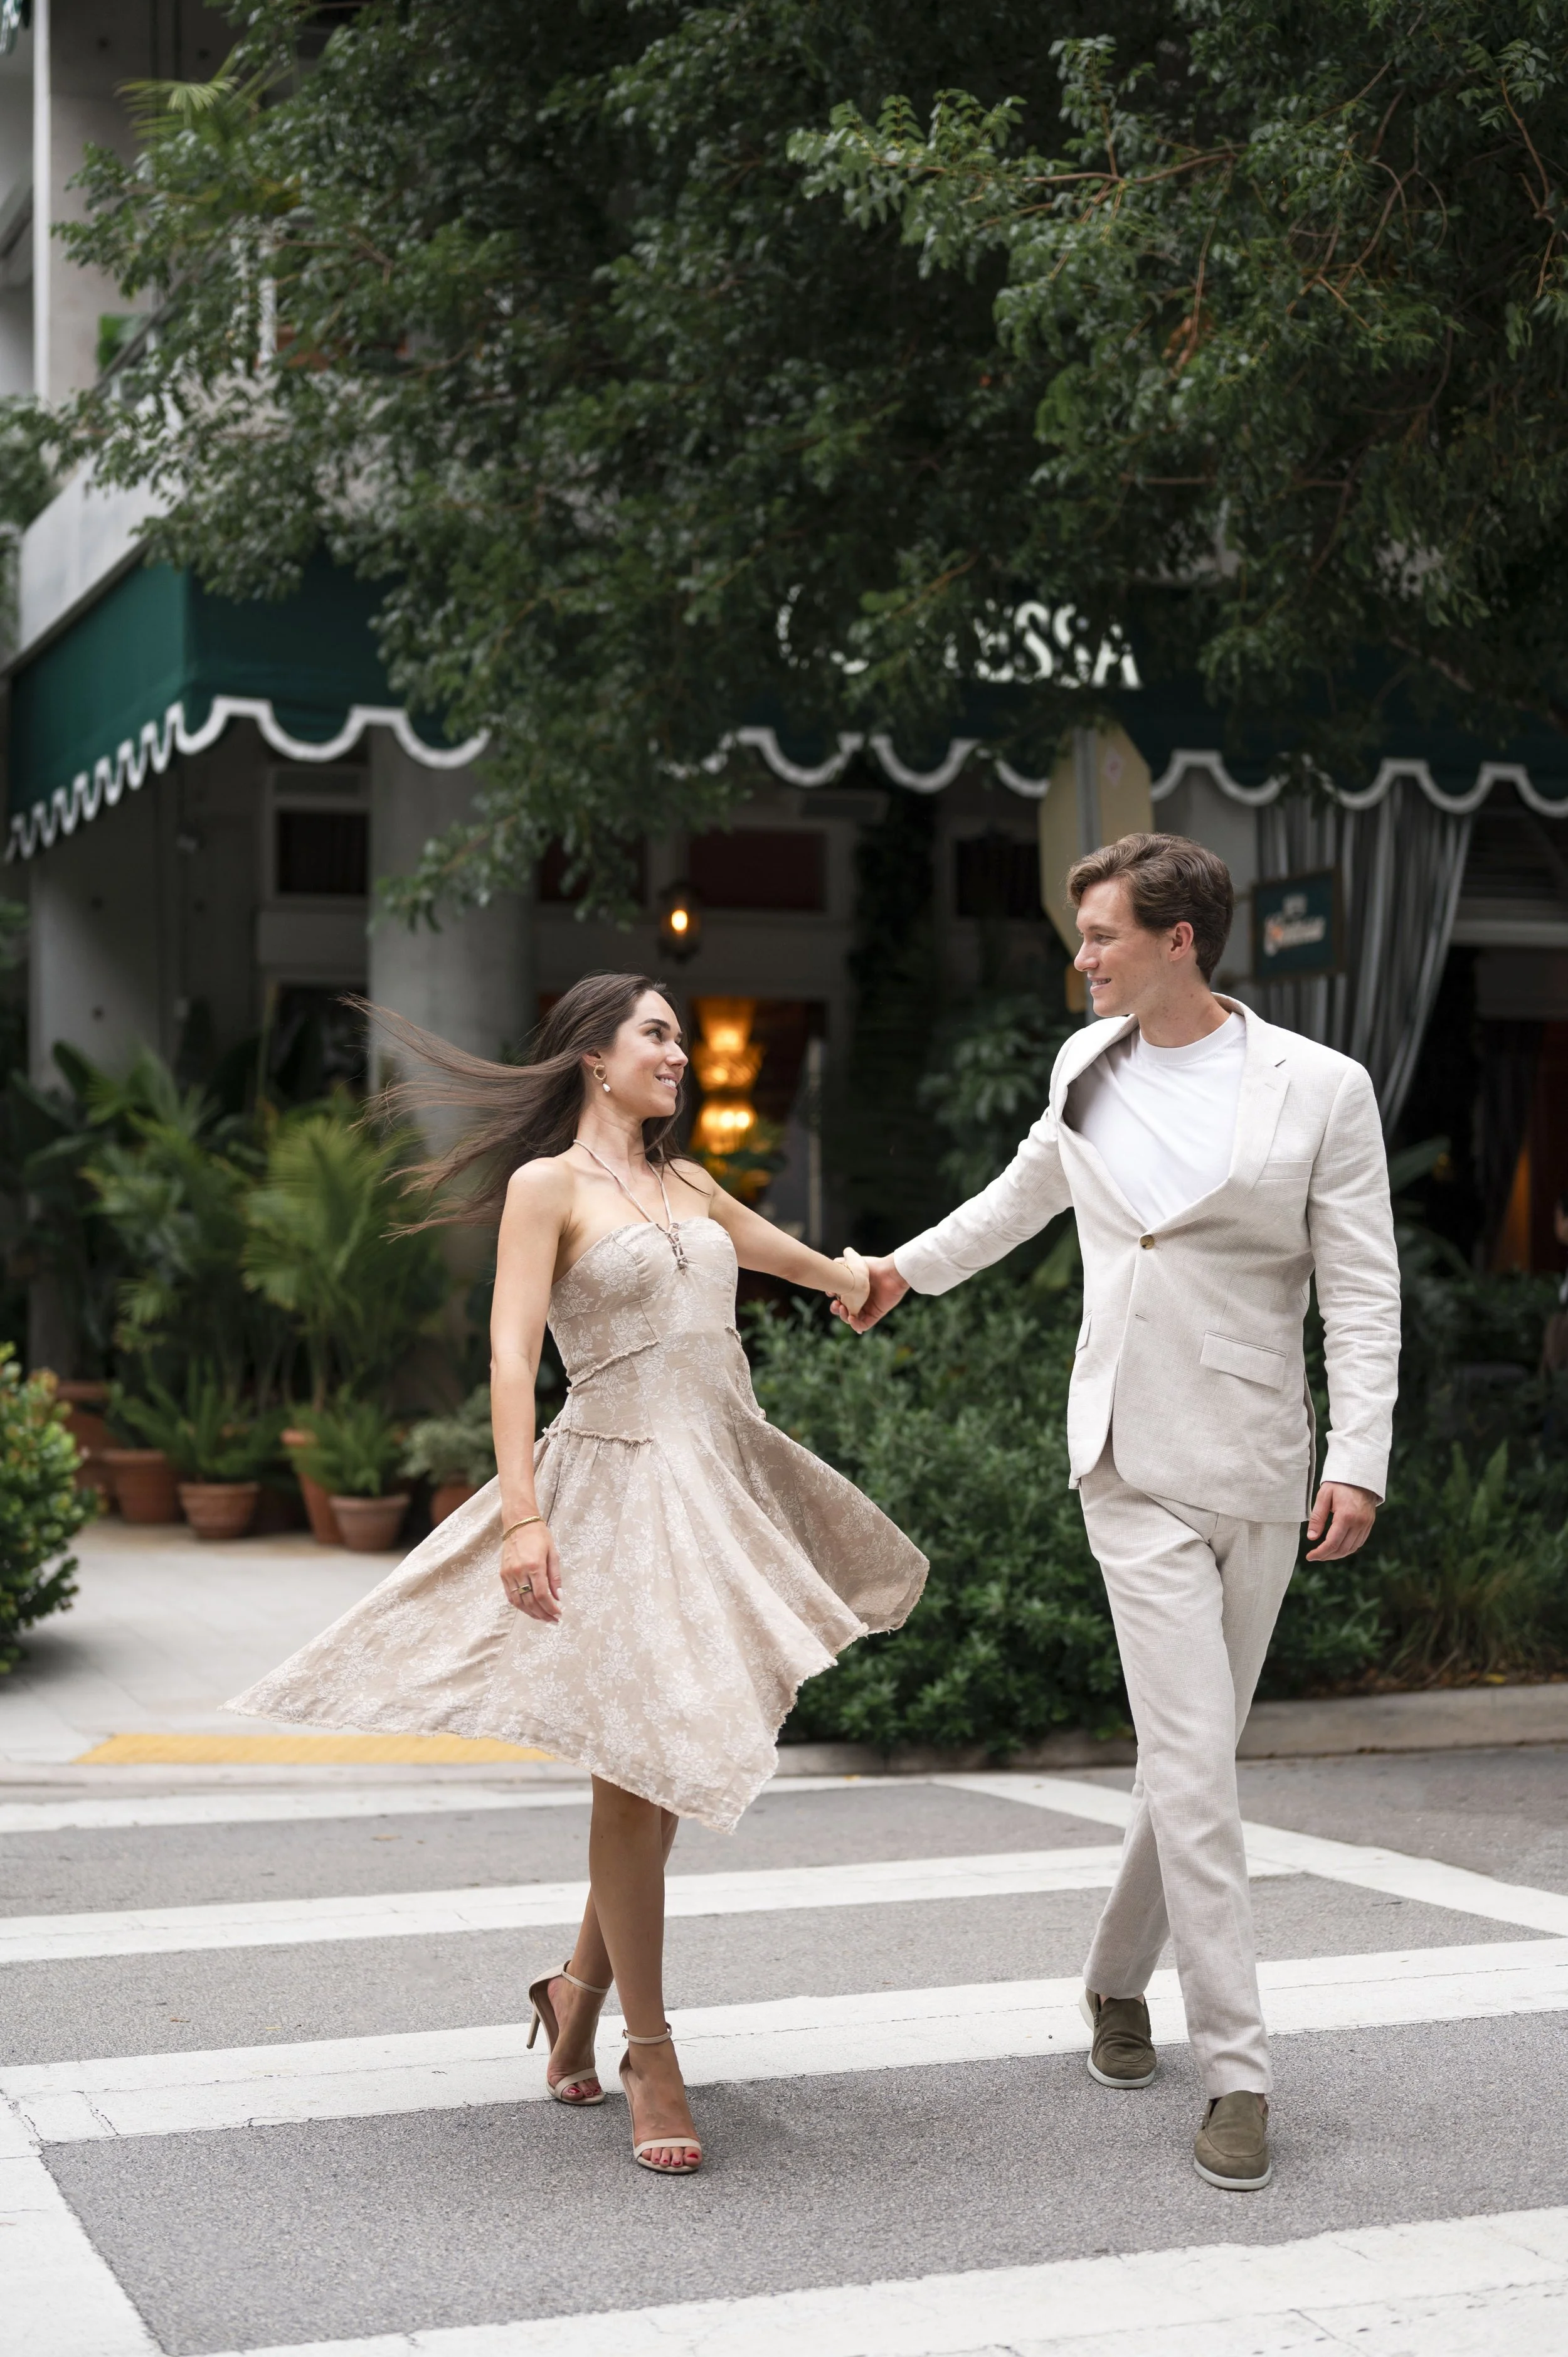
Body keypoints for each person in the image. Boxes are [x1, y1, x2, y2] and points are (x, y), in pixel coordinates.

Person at [230, 972, 927, 2178]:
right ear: (593, 1059)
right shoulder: (544, 1187)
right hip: (609, 1490)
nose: (680, 1054)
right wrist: (519, 1517)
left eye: (675, 1037)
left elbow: (805, 1265)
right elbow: (509, 1358)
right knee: (635, 1771)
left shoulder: (692, 1185)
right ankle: (650, 2051)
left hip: (716, 1487)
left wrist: (871, 1279)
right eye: (657, 1035)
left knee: (663, 1764)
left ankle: (573, 1990)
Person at [839, 834, 1399, 2192]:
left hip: (1260, 1461)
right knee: (1199, 1766)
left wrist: (1360, 1456)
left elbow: (1362, 1288)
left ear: (1176, 942)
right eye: (1079, 934)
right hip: (1126, 1464)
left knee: (1183, 1759)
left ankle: (1107, 1981)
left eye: (1098, 935)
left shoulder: (1318, 1090)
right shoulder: (1082, 1071)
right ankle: (1242, 2073)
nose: (1078, 957)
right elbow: (1020, 1200)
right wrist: (896, 1273)